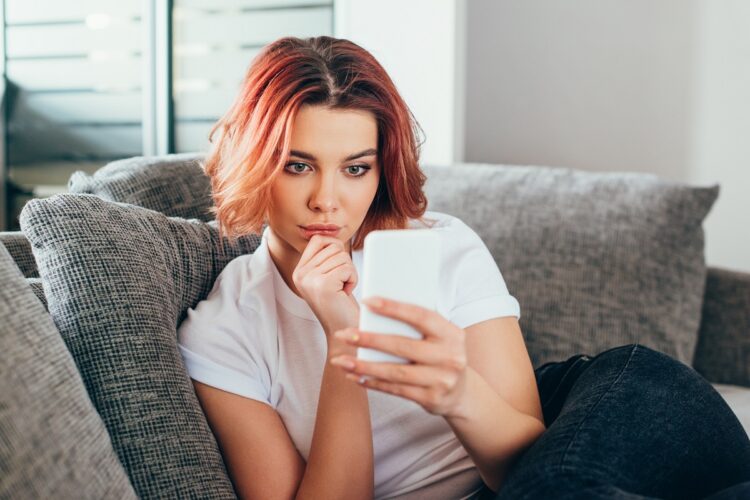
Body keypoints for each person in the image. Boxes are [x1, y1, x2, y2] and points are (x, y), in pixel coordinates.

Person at [176, 36, 750, 500]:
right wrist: (344, 342)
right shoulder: (223, 330)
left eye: (355, 169)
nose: (328, 200)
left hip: (602, 410)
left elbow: (527, 461)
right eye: (299, 165)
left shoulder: (443, 246)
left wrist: (456, 393)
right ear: (254, 162)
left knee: (570, 461)